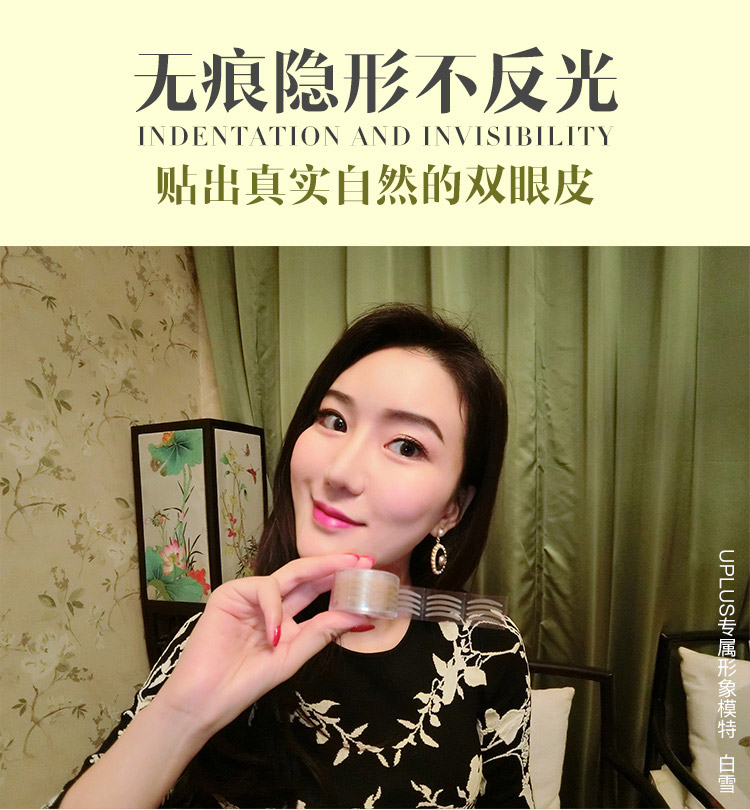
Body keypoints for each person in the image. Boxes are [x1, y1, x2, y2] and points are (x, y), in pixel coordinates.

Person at [53, 304, 533, 809]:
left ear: (453, 509)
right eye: (334, 420)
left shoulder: (488, 647)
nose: (339, 473)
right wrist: (182, 716)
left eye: (406, 447)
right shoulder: (224, 632)